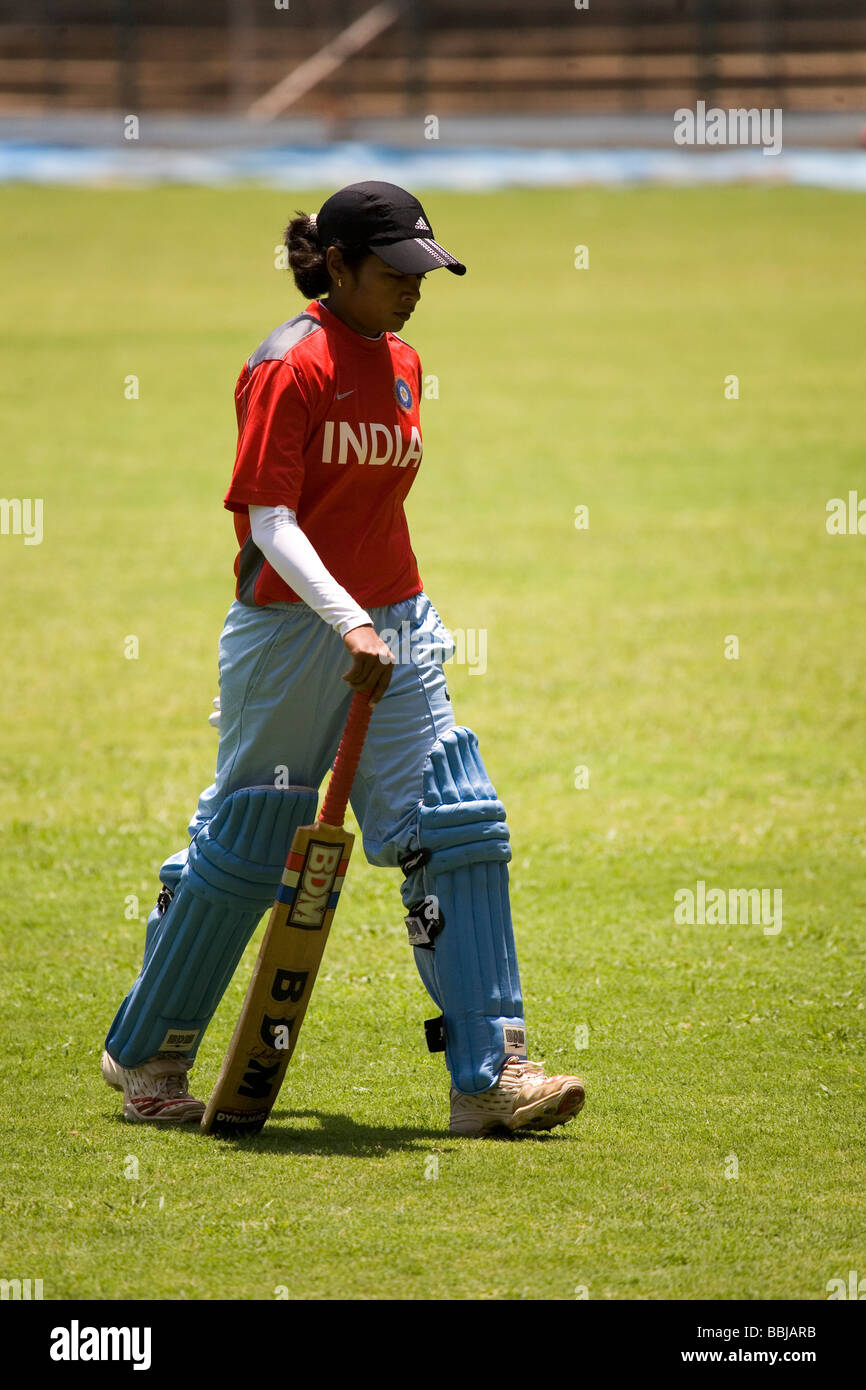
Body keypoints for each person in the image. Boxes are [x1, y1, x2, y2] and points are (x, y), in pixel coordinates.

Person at [102, 181, 586, 1138]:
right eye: (396, 272)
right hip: (290, 633)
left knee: (454, 824)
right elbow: (270, 521)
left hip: (397, 618)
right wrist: (345, 622)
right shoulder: (291, 365)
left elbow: (375, 510)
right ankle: (150, 1052)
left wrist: (383, 621)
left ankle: (491, 1075)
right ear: (338, 265)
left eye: (424, 270)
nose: (414, 288)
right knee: (250, 847)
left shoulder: (403, 359)